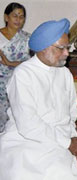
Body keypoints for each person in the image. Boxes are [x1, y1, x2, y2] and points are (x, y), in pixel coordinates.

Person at [0, 18, 77, 180]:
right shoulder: (23, 74)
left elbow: (71, 113)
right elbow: (28, 125)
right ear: (42, 48)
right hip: (24, 140)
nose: (67, 53)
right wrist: (66, 143)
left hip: (59, 138)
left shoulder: (65, 74)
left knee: (63, 170)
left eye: (67, 47)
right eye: (61, 48)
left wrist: (71, 137)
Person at [0, 2, 31, 132]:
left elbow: (32, 63)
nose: (18, 20)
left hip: (18, 83)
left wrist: (10, 63)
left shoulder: (28, 39)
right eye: (15, 16)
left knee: (14, 120)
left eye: (21, 16)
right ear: (6, 17)